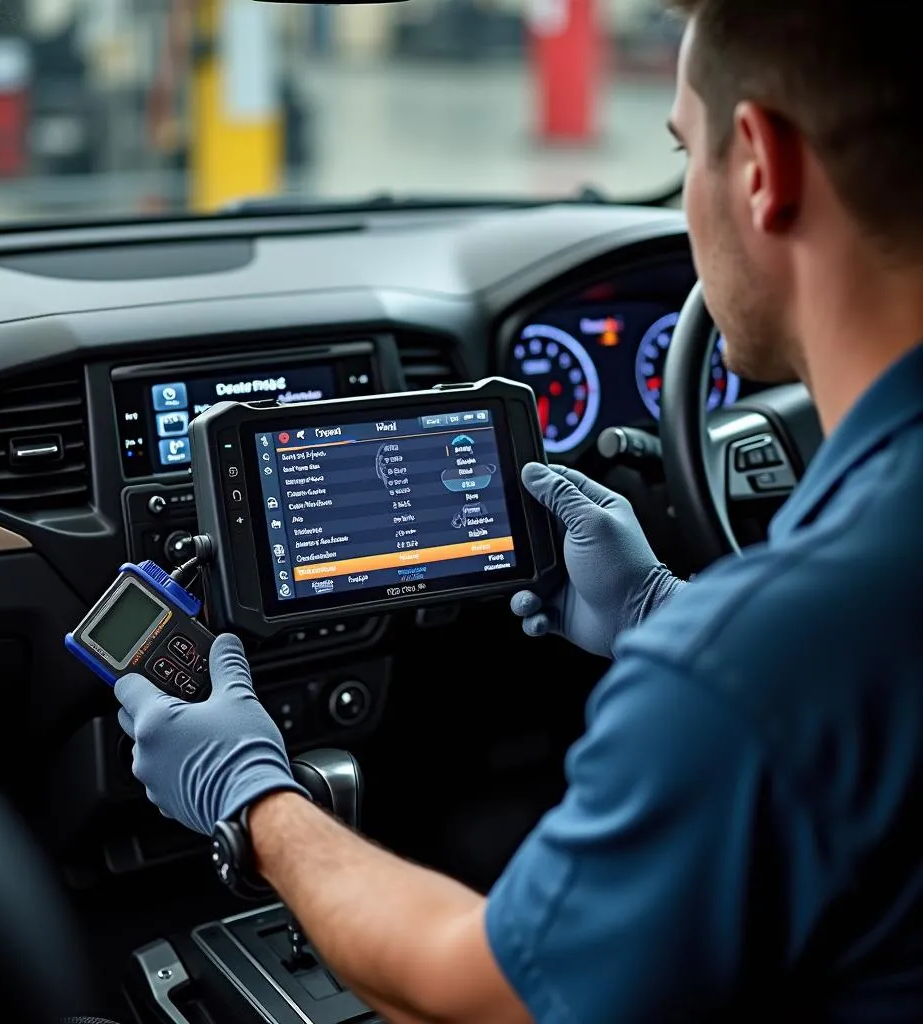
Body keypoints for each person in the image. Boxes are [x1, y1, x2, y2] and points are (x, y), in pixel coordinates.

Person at [115, 1, 923, 1019]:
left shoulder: (754, 670)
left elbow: (470, 995)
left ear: (759, 165)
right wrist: (661, 615)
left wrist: (250, 795)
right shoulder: (782, 658)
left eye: (684, 156)